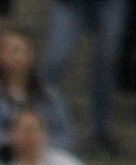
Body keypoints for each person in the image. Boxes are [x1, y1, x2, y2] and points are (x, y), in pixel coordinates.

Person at [0, 29, 76, 164]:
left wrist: (33, 141)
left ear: (30, 55)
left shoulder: (50, 97)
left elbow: (68, 139)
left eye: (17, 50)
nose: (11, 56)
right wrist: (7, 141)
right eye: (5, 50)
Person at [45, 0, 131, 155]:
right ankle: (39, 121)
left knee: (107, 61)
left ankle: (101, 131)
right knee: (56, 60)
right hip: (69, 4)